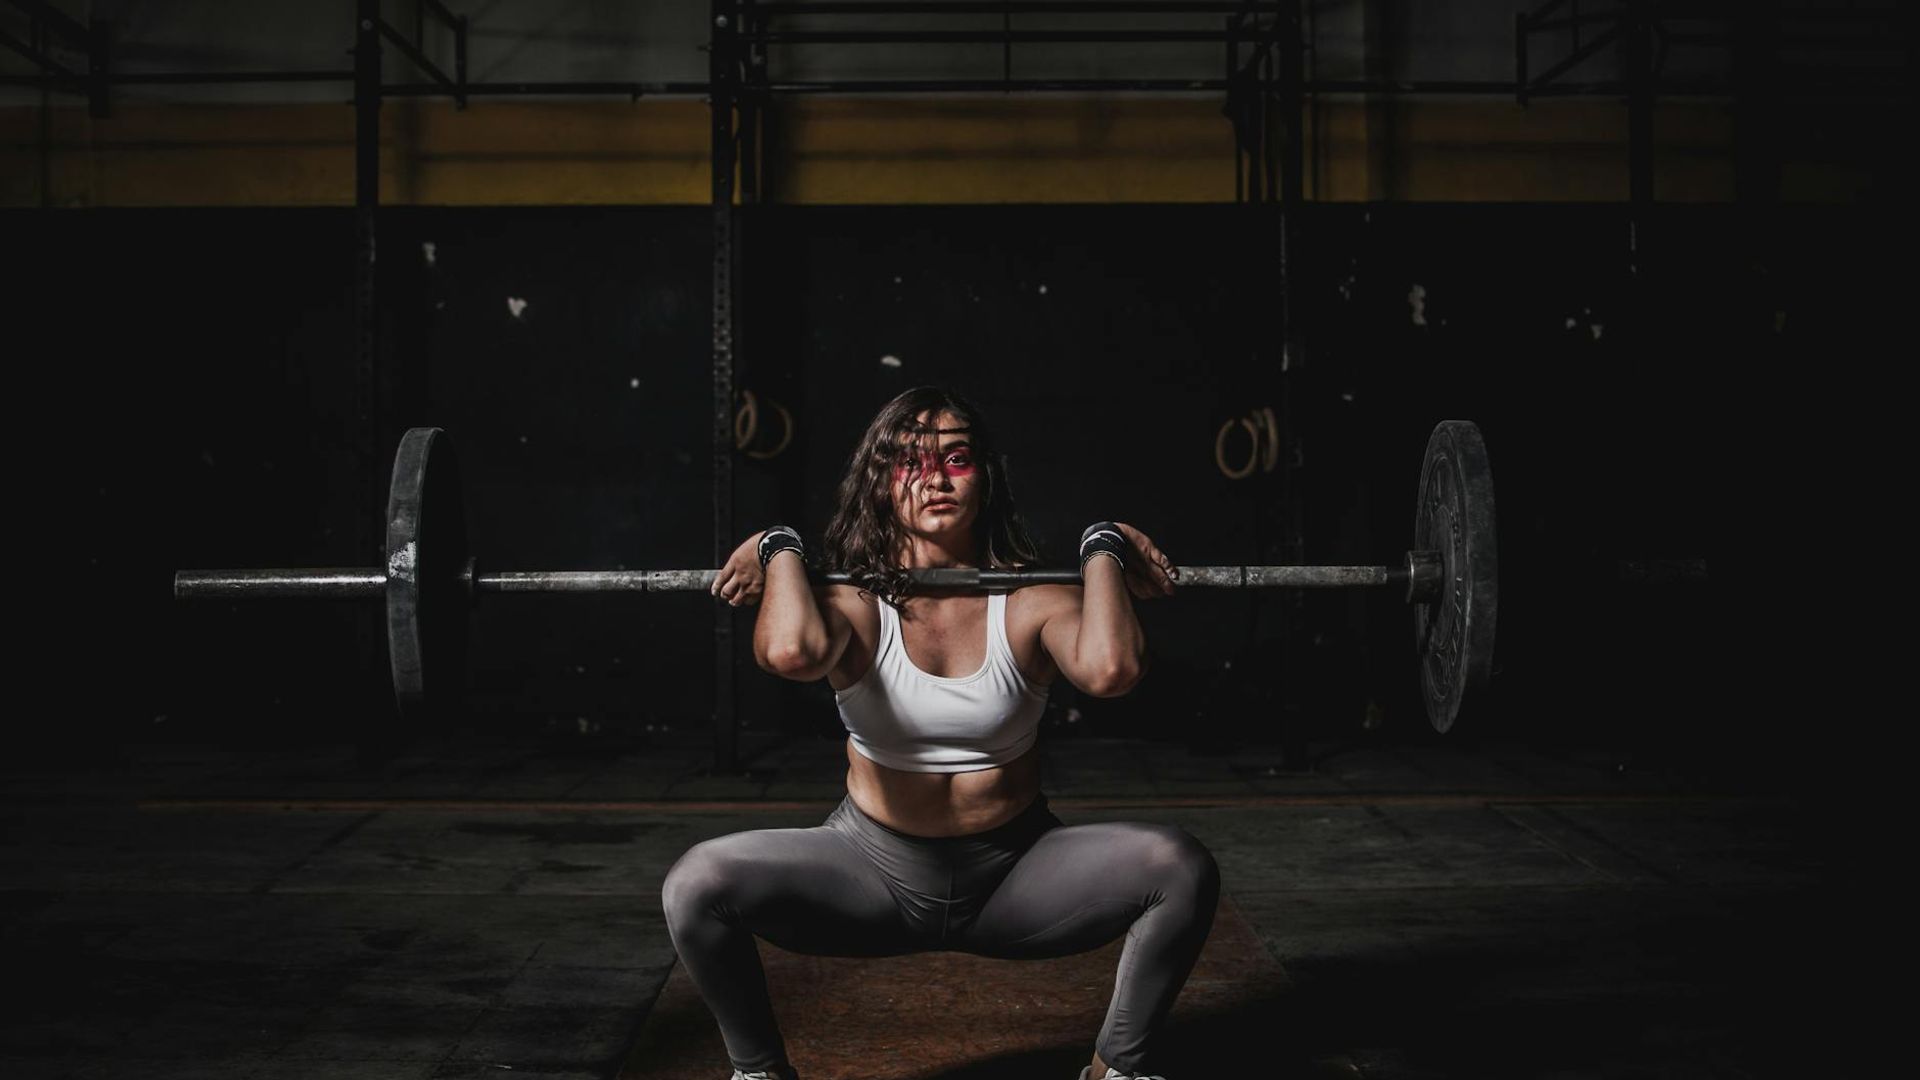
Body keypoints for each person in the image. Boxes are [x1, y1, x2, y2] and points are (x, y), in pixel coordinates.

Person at [661, 386, 1221, 1080]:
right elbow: (790, 654)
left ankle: (1117, 1068)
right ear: (880, 483)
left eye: (956, 458)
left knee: (1178, 866)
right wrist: (782, 547)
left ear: (985, 476)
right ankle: (761, 1074)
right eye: (908, 462)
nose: (933, 478)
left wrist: (1101, 547)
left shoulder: (1031, 601)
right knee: (697, 883)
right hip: (869, 875)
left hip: (1015, 876)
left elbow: (1112, 670)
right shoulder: (855, 603)